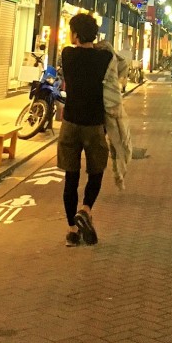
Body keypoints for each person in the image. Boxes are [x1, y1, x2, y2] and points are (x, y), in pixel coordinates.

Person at [57, 12, 111, 247]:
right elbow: (111, 52)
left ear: (75, 35)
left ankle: (72, 230)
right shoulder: (104, 58)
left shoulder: (67, 55)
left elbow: (75, 48)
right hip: (94, 124)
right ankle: (86, 209)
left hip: (70, 123)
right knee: (96, 171)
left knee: (71, 176)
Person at [95, 39, 133, 190]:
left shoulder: (102, 62)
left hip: (101, 108)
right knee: (117, 141)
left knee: (113, 142)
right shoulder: (115, 61)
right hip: (112, 106)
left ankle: (118, 172)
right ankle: (118, 172)